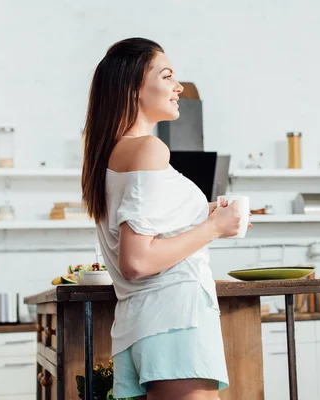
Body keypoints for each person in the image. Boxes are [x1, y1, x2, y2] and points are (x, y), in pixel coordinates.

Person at [81, 37, 249, 400]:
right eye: (168, 76)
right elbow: (136, 261)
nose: (179, 87)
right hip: (175, 320)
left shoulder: (117, 153)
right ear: (134, 89)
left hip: (152, 322)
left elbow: (146, 228)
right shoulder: (148, 149)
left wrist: (205, 214)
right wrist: (214, 227)